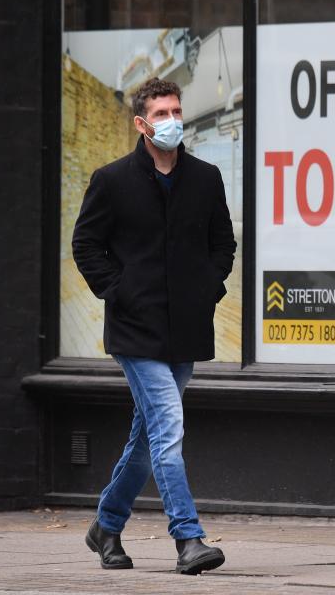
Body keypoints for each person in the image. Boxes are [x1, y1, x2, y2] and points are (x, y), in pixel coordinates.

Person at [72, 77, 235, 575]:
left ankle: (106, 525)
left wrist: (208, 286)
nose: (172, 121)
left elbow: (222, 244)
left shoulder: (205, 178)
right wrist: (120, 292)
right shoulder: (112, 180)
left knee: (146, 440)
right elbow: (86, 246)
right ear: (142, 124)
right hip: (135, 331)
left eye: (176, 111)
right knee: (168, 427)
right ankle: (187, 538)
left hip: (185, 328)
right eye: (161, 113)